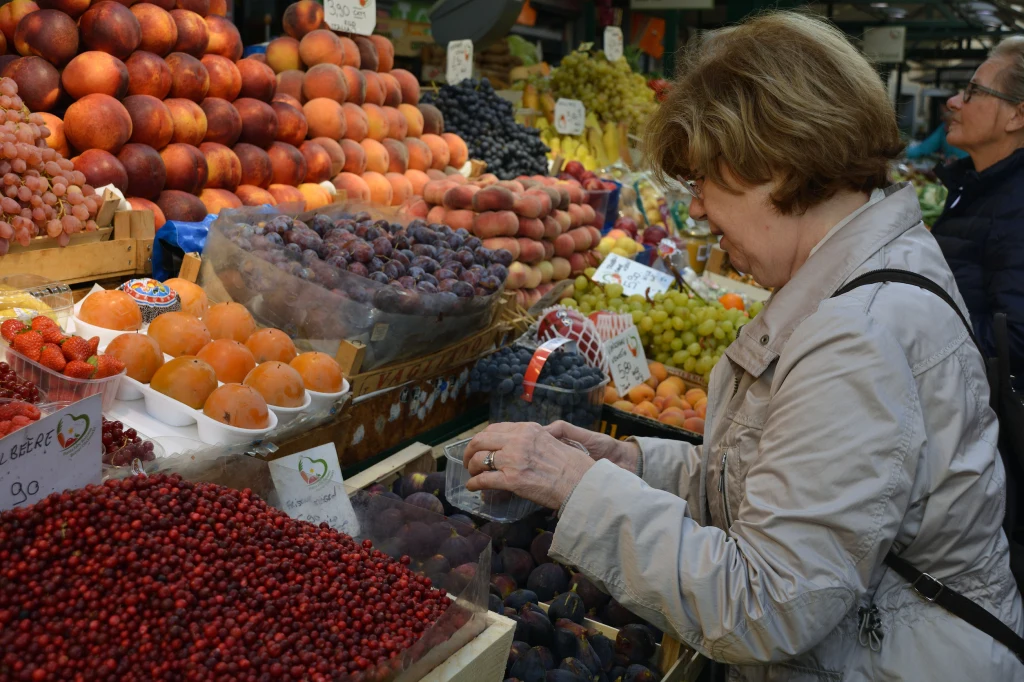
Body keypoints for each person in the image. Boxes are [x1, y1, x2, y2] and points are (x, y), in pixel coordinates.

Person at [463, 12, 1024, 681]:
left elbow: (768, 606)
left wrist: (575, 486)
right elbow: (783, 483)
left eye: (703, 179)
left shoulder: (856, 335)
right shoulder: (867, 274)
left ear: (775, 164)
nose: (697, 209)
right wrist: (632, 463)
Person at [933, 38, 1024, 382]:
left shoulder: (1016, 207)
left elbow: (1014, 340)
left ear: (1017, 115)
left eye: (973, 91)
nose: (954, 101)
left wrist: (915, 331)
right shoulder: (977, 187)